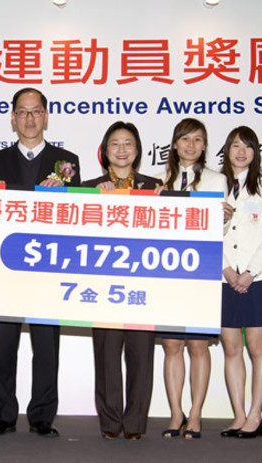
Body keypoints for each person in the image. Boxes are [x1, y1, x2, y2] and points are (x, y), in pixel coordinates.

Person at [0, 87, 80, 438]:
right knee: (3, 346)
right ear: (12, 118)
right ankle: (2, 416)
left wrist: (62, 196)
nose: (29, 118)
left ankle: (42, 417)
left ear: (46, 116)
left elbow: (79, 218)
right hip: (7, 266)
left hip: (49, 268)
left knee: (46, 347)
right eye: (22, 112)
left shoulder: (67, 161)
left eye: (36, 111)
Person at [82, 121, 160, 441]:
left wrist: (163, 203)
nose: (122, 149)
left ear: (137, 150)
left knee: (141, 355)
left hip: (143, 282)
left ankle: (136, 423)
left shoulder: (155, 187)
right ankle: (110, 421)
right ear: (104, 150)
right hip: (103, 284)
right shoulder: (89, 186)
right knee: (107, 354)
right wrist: (93, 201)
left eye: (128, 143)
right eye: (115, 143)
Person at [156, 118, 227, 439]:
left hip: (201, 271)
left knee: (198, 346)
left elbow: (220, 228)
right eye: (185, 139)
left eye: (198, 140)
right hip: (167, 273)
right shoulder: (158, 179)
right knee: (172, 345)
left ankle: (196, 414)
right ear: (174, 143)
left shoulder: (216, 180)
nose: (191, 145)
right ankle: (175, 414)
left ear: (204, 146)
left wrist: (222, 217)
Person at [219, 126, 262, 439]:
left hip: (258, 277)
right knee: (231, 348)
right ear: (226, 150)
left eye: (247, 146)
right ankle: (239, 415)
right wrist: (227, 271)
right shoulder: (216, 185)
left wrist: (250, 273)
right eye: (235, 146)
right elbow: (204, 231)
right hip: (224, 277)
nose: (241, 152)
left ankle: (256, 415)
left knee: (257, 347)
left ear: (257, 152)